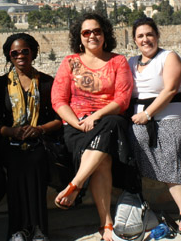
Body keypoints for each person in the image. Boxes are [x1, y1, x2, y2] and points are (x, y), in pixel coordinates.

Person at [51, 12, 133, 241]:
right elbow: (58, 100)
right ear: (80, 37)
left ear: (105, 34)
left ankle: (76, 184)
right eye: (86, 32)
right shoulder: (70, 62)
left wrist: (94, 116)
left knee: (110, 125)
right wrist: (77, 122)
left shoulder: (118, 61)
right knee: (103, 158)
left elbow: (122, 100)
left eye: (97, 31)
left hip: (107, 120)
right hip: (76, 126)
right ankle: (106, 224)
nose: (92, 36)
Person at [128, 18, 181, 234]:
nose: (145, 39)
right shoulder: (131, 62)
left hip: (174, 114)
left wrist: (148, 113)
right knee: (133, 140)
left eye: (149, 34)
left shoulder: (169, 57)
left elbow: (170, 90)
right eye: (140, 36)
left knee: (172, 141)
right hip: (140, 118)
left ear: (157, 36)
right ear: (134, 40)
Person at [0, 33, 62, 241]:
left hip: (40, 141)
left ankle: (37, 228)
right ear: (9, 56)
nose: (20, 56)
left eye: (25, 51)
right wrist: (11, 131)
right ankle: (19, 229)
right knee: (17, 164)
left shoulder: (47, 83)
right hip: (10, 141)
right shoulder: (0, 85)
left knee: (35, 161)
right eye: (15, 53)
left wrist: (39, 129)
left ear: (33, 53)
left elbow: (59, 118)